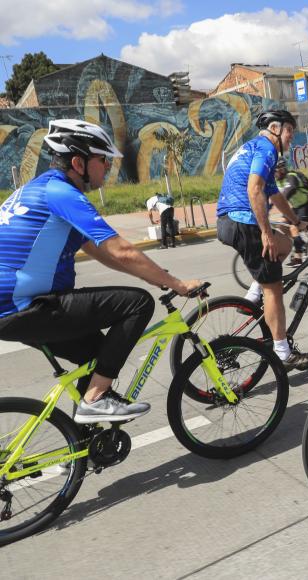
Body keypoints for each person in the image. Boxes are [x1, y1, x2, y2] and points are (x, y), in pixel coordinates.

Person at [0, 119, 201, 422]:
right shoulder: (62, 194)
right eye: (102, 160)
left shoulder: (38, 189)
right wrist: (176, 283)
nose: (107, 166)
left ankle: (83, 443)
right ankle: (95, 399)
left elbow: (103, 252)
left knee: (97, 354)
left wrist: (156, 277)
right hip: (23, 307)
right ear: (78, 162)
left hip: (14, 309)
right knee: (138, 303)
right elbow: (121, 250)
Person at [216, 110, 308, 371]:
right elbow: (255, 189)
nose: (292, 138)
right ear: (274, 128)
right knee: (275, 289)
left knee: (286, 243)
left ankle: (252, 294)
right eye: (290, 132)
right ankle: (282, 351)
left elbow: (275, 196)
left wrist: (295, 222)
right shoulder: (266, 149)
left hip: (227, 222)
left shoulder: (251, 148)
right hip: (243, 222)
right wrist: (265, 233)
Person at [275, 159, 308, 266]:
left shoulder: (291, 177)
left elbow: (288, 191)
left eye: (274, 171)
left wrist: (280, 201)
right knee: (281, 224)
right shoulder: (277, 181)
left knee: (294, 227)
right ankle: (299, 242)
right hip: (297, 207)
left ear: (281, 170)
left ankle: (298, 258)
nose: (273, 174)